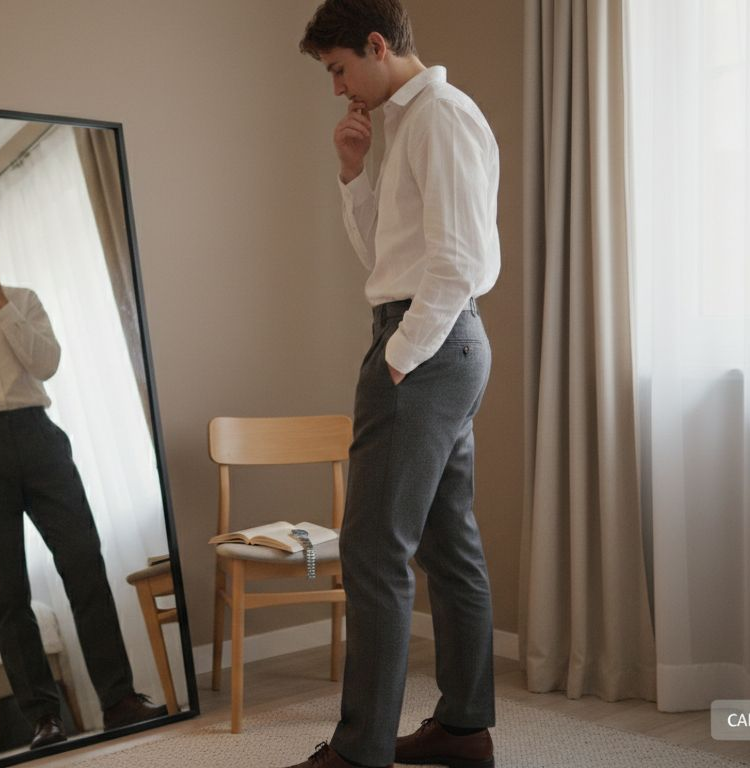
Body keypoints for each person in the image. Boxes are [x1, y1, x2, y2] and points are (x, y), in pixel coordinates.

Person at [282, 2, 502, 767]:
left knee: (372, 550)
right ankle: (466, 730)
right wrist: (352, 174)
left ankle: (360, 751)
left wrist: (402, 357)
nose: (338, 86)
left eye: (340, 68)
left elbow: (457, 259)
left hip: (426, 345)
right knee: (447, 543)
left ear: (377, 46)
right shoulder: (405, 123)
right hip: (431, 338)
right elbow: (387, 258)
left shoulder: (439, 115)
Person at [0, 192, 165, 750]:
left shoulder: (24, 299)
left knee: (84, 565)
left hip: (39, 439)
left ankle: (119, 699)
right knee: (6, 593)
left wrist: (0, 303)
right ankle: (44, 718)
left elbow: (47, 364)